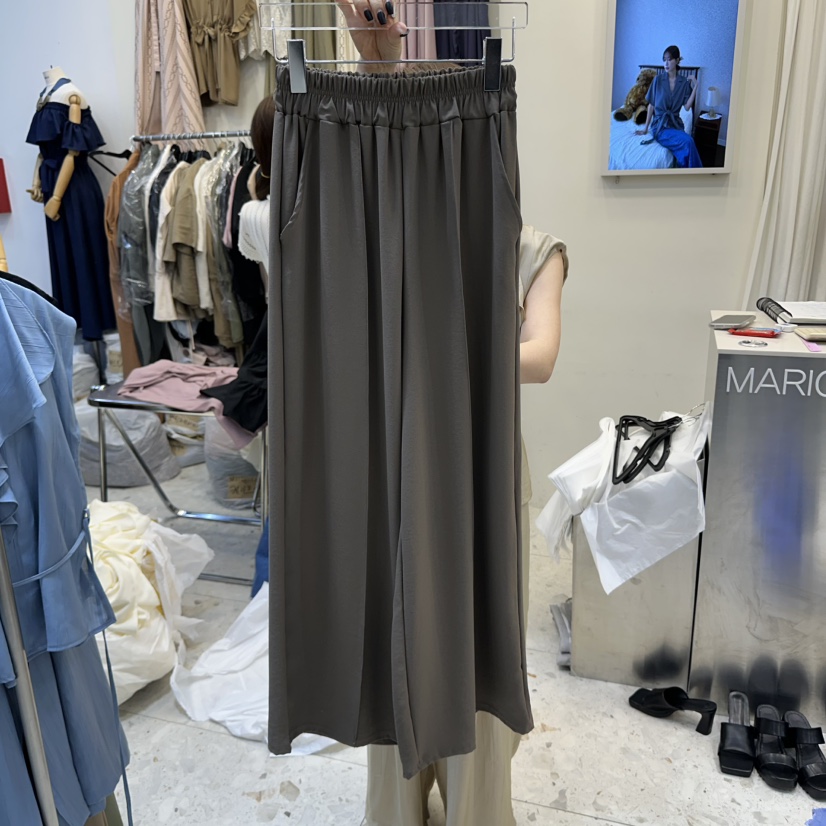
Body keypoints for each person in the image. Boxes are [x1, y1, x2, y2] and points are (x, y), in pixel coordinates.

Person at [325, 3, 568, 824]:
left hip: (481, 473)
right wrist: (376, 60)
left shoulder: (533, 248)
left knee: (473, 658)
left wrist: (439, 356)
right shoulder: (403, 243)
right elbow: (374, 164)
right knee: (393, 633)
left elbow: (540, 357)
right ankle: (397, 807)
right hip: (398, 458)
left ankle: (473, 810)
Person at [636, 45, 702, 168]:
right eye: (664, 60)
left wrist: (696, 86)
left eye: (669, 59)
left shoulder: (683, 82)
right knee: (688, 141)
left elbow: (687, 107)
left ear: (677, 60)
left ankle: (689, 173)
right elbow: (651, 105)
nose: (666, 63)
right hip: (660, 126)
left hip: (675, 124)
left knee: (687, 142)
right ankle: (695, 174)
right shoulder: (657, 80)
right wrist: (645, 128)